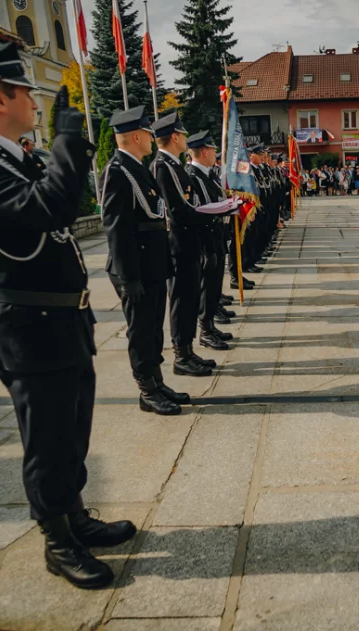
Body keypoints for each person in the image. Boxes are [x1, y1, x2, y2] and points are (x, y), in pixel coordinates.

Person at [0, 42, 133, 590]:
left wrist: (57, 150)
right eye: (27, 91)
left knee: (72, 432)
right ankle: (57, 541)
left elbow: (58, 207)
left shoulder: (10, 155)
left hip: (63, 321)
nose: (35, 100)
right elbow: (47, 211)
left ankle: (74, 516)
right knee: (46, 442)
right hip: (29, 328)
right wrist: (70, 138)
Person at [101, 105, 181, 416]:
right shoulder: (118, 171)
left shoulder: (137, 168)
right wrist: (128, 277)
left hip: (152, 265)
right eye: (148, 133)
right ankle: (146, 390)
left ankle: (157, 382)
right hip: (135, 268)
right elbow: (117, 228)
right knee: (141, 330)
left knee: (153, 329)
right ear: (136, 135)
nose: (152, 139)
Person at [151, 111, 224, 378]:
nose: (185, 138)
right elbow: (178, 212)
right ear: (174, 137)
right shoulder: (163, 167)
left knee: (190, 299)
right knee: (182, 301)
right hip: (178, 247)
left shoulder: (175, 166)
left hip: (189, 244)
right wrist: (213, 212)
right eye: (182, 134)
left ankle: (189, 350)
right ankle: (181, 355)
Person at [186, 131, 233, 351]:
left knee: (214, 286)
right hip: (206, 240)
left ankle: (211, 325)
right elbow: (200, 210)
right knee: (207, 288)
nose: (216, 153)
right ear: (204, 151)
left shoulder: (209, 175)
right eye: (213, 149)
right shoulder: (193, 176)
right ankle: (205, 330)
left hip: (217, 236)